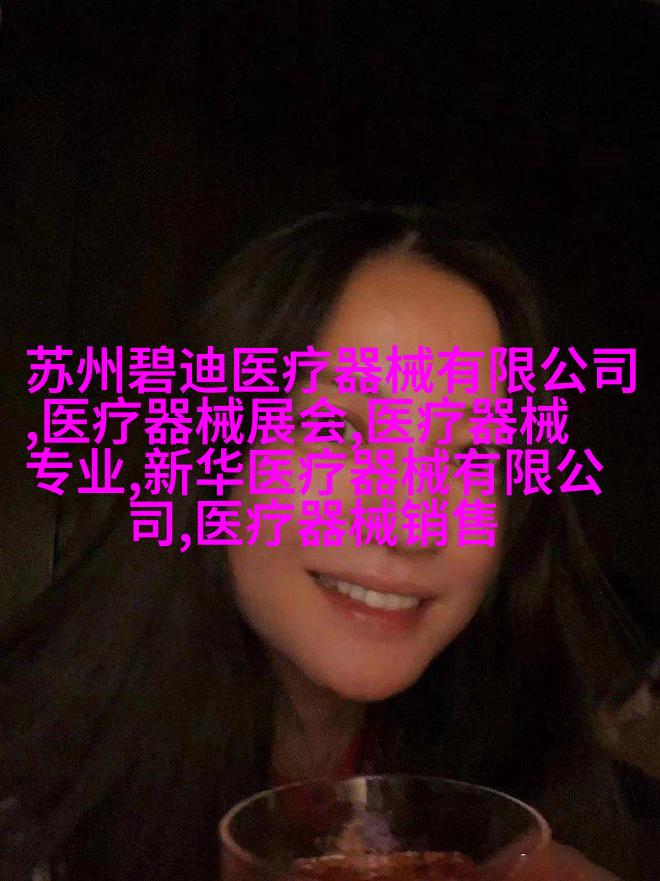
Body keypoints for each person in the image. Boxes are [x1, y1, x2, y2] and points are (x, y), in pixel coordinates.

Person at [0, 207, 648, 880]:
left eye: (473, 453)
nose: (409, 522)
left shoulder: (529, 788)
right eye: (336, 430)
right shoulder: (32, 802)